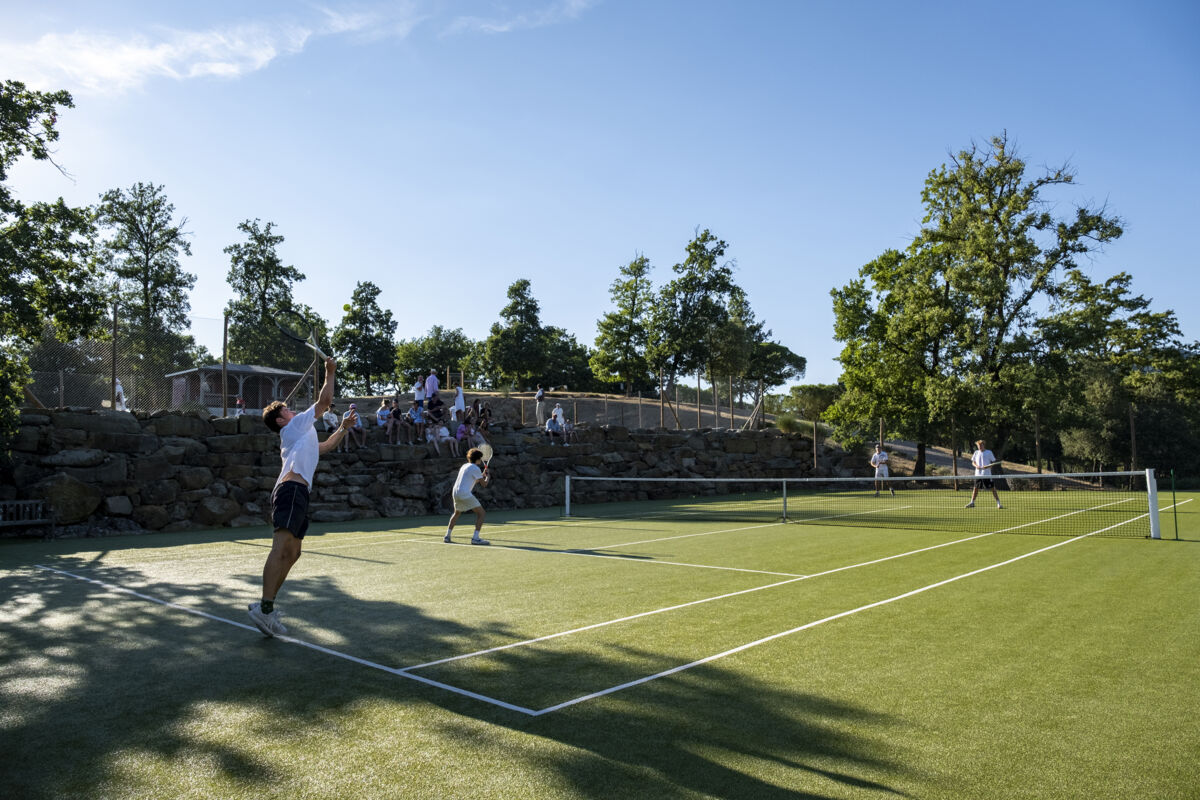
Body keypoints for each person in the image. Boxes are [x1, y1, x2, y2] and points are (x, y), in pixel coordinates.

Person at [249, 356, 355, 637]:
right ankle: (264, 608)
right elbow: (324, 401)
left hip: (299, 492)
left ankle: (266, 607)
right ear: (281, 419)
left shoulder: (302, 432)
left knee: (294, 552)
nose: (291, 409)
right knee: (280, 548)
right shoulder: (292, 427)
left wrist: (343, 428)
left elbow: (325, 446)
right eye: (286, 409)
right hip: (291, 490)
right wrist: (330, 372)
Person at [444, 447, 491, 545]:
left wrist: (482, 475)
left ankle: (447, 536)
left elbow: (473, 480)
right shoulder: (475, 468)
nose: (481, 460)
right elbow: (484, 484)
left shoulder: (465, 466)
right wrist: (488, 477)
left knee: (456, 513)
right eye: (480, 458)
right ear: (477, 459)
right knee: (481, 513)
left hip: (455, 492)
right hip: (464, 493)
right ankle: (475, 538)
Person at [965, 438, 1003, 509]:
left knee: (993, 488)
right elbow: (973, 462)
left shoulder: (989, 452)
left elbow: (993, 463)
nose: (979, 447)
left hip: (987, 474)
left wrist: (988, 466)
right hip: (978, 475)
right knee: (975, 488)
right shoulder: (976, 452)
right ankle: (972, 502)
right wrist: (976, 466)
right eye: (978, 446)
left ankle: (998, 503)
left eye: (981, 445)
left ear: (983, 445)